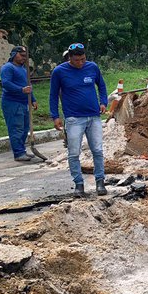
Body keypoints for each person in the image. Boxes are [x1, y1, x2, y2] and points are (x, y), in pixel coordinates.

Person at [49, 43, 108, 197]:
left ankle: (100, 182)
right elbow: (53, 95)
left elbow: (101, 85)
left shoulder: (92, 67)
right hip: (74, 118)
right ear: (69, 58)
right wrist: (55, 116)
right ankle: (79, 184)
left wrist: (103, 102)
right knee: (74, 153)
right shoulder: (59, 72)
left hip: (93, 117)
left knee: (98, 150)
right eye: (77, 60)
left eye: (83, 59)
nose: (80, 63)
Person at [0, 46, 37, 161]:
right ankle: (18, 153)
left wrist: (33, 99)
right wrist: (21, 90)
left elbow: (28, 86)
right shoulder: (8, 68)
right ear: (14, 54)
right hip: (12, 103)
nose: (24, 58)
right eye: (21, 55)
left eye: (25, 56)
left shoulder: (23, 69)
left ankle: (22, 150)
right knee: (16, 128)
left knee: (24, 128)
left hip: (23, 102)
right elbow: (6, 83)